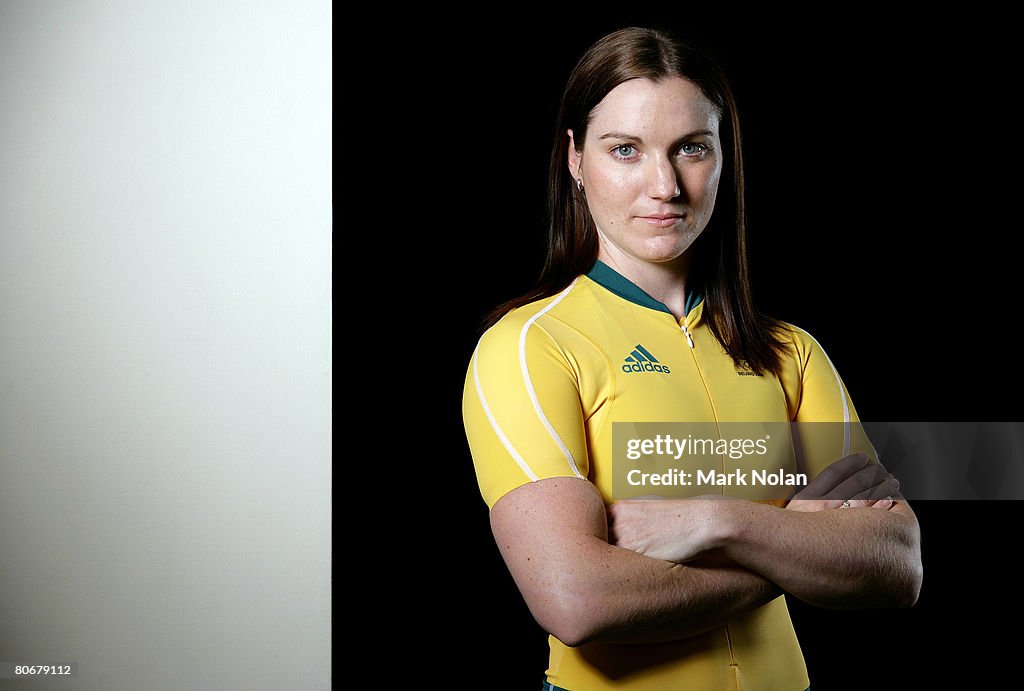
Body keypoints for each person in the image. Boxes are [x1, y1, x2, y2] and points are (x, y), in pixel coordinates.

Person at [462, 26, 922, 690]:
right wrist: (795, 541)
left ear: (723, 157)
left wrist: (716, 520)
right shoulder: (529, 345)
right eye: (625, 150)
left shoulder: (793, 352)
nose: (665, 185)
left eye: (691, 149)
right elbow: (577, 598)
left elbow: (896, 561)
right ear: (574, 159)